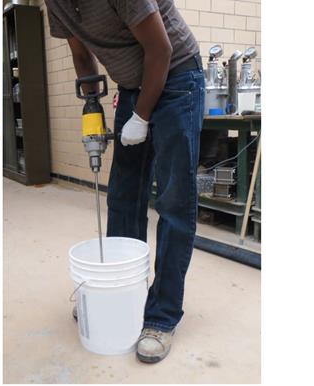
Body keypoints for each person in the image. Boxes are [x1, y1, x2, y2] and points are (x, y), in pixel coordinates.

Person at [45, 0, 205, 363]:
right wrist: (92, 106)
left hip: (178, 77)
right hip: (132, 85)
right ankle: (118, 292)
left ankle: (160, 316)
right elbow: (81, 54)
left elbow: (161, 49)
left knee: (173, 201)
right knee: (122, 197)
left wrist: (142, 117)